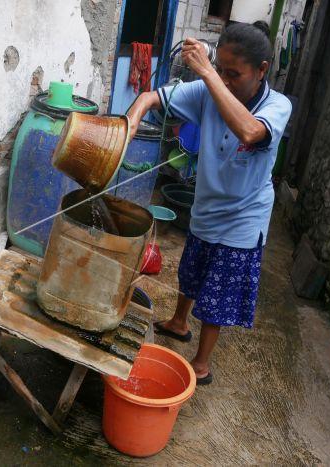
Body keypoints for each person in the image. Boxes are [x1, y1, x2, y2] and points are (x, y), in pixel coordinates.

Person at [127, 22, 292, 385]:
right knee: (193, 268)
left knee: (217, 291)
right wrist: (132, 118)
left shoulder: (278, 106)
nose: (225, 80)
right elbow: (152, 97)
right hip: (207, 202)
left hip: (244, 214)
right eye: (222, 71)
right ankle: (178, 322)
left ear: (262, 70)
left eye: (234, 74)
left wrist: (207, 72)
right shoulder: (207, 90)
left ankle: (201, 364)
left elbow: (250, 131)